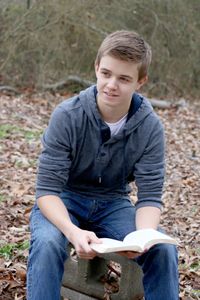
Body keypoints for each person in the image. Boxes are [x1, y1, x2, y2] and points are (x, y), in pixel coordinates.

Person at [27, 30, 179, 300]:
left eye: (124, 78)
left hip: (113, 202)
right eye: (106, 73)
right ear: (96, 67)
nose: (112, 84)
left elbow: (150, 197)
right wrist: (73, 232)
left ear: (140, 81)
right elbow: (46, 191)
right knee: (49, 242)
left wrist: (143, 236)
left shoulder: (150, 127)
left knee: (162, 250)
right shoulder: (67, 115)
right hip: (65, 198)